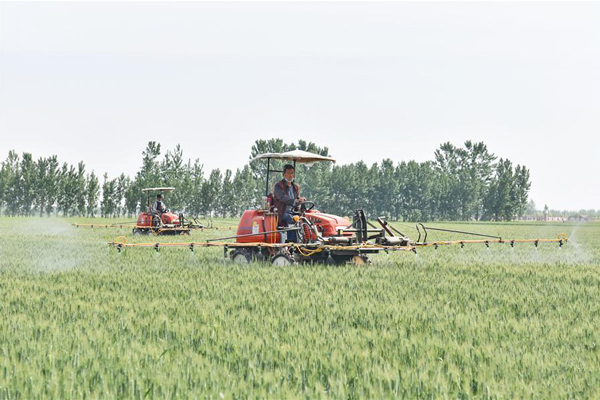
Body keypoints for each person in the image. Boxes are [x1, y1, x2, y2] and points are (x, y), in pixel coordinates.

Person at [273, 164, 306, 242]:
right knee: (291, 219)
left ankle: (306, 241)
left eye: (292, 173)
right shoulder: (279, 186)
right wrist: (295, 201)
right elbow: (283, 198)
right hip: (282, 212)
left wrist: (301, 199)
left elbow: (297, 198)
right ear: (284, 174)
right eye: (288, 173)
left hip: (293, 212)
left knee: (305, 219)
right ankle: (291, 243)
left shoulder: (295, 187)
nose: (291, 175)